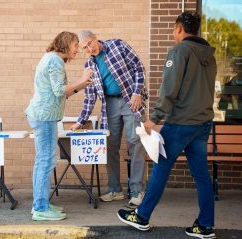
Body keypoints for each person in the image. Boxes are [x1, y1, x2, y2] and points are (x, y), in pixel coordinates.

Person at [117, 11, 217, 239]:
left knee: (161, 168)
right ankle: (205, 226)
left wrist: (154, 118)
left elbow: (169, 89)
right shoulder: (209, 55)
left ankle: (141, 217)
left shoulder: (180, 51)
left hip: (180, 122)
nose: (173, 34)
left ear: (180, 29)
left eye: (173, 30)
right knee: (201, 175)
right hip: (202, 124)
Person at [70, 30, 148, 208]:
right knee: (110, 146)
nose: (89, 49)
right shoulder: (89, 66)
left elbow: (139, 67)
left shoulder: (118, 45)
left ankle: (137, 191)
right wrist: (80, 121)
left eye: (90, 43)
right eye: (84, 48)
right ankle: (115, 189)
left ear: (95, 38)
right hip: (109, 105)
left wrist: (137, 93)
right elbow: (90, 97)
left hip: (130, 99)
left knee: (135, 143)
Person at [25, 31, 92, 221]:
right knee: (46, 162)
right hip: (44, 116)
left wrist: (81, 86)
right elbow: (58, 90)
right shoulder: (54, 60)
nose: (78, 49)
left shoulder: (52, 59)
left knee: (43, 161)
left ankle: (41, 204)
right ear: (65, 44)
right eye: (76, 45)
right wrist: (81, 79)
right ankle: (40, 208)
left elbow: (61, 94)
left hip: (43, 115)